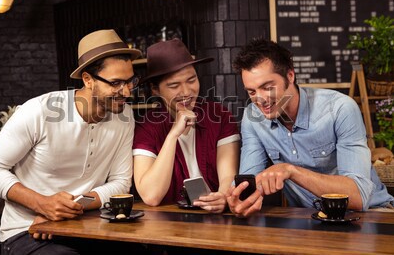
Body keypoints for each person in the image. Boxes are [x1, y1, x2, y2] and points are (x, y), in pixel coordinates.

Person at [0, 29, 144, 254]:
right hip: (26, 231)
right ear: (87, 79)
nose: (126, 91)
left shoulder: (125, 118)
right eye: (115, 83)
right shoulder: (39, 111)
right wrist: (42, 204)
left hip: (86, 225)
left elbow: (120, 182)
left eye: (130, 81)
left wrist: (65, 209)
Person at [227, 38, 394, 217]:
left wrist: (290, 170)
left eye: (267, 87)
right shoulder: (253, 118)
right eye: (252, 92)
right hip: (309, 218)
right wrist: (238, 198)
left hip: (372, 214)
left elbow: (358, 196)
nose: (259, 99)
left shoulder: (340, 108)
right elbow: (248, 182)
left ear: (290, 76)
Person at [132, 38, 240, 213]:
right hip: (170, 223)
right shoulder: (146, 127)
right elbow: (151, 195)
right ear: (155, 90)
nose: (186, 92)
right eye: (174, 85)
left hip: (217, 218)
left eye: (191, 80)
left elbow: (228, 174)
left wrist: (222, 196)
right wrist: (173, 135)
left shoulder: (219, 116)